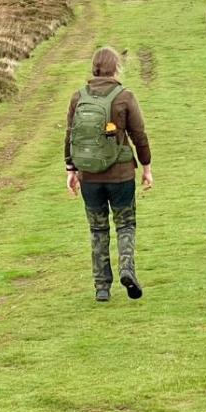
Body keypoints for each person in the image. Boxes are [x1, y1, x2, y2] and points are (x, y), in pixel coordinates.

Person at [65, 46, 154, 302]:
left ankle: (102, 287)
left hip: (89, 177)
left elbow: (70, 136)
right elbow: (139, 135)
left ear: (94, 68)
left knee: (97, 230)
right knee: (125, 224)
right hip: (121, 176)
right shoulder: (125, 96)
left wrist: (71, 169)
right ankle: (127, 268)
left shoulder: (78, 97)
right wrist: (146, 167)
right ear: (116, 68)